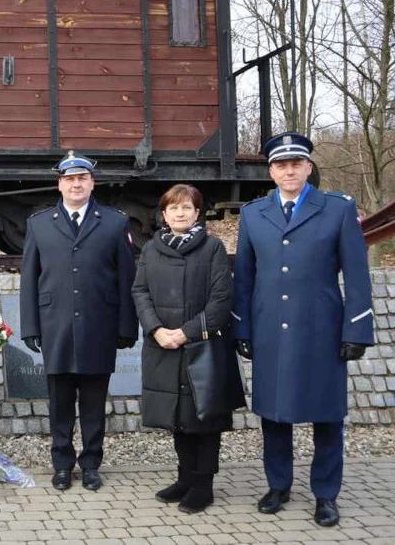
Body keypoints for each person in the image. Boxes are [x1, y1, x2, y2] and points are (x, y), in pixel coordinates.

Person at [233, 132, 373, 528]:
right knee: (274, 415)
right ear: (271, 171)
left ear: (309, 167)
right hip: (270, 331)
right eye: (281, 164)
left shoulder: (337, 209)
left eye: (296, 163)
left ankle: (326, 495)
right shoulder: (253, 213)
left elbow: (358, 276)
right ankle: (278, 485)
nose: (289, 170)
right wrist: (242, 326)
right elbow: (244, 276)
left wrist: (357, 330)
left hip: (322, 331)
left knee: (327, 417)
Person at [20, 151, 138, 492]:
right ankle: (61, 465)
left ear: (92, 183)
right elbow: (29, 278)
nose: (76, 184)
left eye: (82, 178)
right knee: (59, 405)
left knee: (92, 404)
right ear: (60, 184)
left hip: (98, 328)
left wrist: (126, 327)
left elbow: (126, 280)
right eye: (70, 179)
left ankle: (90, 465)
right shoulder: (39, 224)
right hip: (55, 327)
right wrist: (30, 327)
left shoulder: (115, 222)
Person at [132, 184, 243, 513]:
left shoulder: (213, 248)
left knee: (204, 419)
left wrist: (184, 333)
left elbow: (222, 299)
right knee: (178, 417)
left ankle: (203, 485)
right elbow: (140, 292)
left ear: (198, 212)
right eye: (173, 208)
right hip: (162, 345)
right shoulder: (151, 249)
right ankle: (184, 478)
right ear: (164, 214)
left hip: (202, 346)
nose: (180, 213)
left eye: (187, 207)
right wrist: (155, 329)